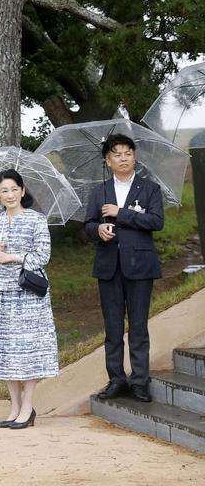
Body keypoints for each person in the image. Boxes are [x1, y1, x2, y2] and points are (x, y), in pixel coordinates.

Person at [84, 133, 164, 403]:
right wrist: (99, 229)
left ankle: (140, 381)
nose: (123, 158)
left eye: (128, 153)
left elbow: (156, 222)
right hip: (109, 267)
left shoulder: (149, 188)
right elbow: (87, 225)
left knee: (139, 326)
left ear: (135, 157)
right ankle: (116, 379)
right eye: (117, 154)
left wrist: (121, 214)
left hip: (140, 266)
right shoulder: (99, 191)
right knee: (113, 328)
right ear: (107, 160)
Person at [0, 169, 59, 430]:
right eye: (4, 190)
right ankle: (14, 405)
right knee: (6, 351)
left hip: (29, 294)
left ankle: (28, 407)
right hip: (2, 291)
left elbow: (42, 256)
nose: (10, 194)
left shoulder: (36, 220)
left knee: (28, 350)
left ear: (23, 191)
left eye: (14, 189)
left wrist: (12, 257)